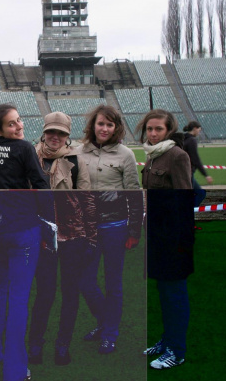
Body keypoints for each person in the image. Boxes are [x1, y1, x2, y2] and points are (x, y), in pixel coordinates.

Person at [0, 103, 54, 381]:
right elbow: (42, 185)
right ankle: (16, 370)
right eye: (12, 123)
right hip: (23, 230)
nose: (19, 126)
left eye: (19, 120)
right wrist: (49, 224)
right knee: (19, 299)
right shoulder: (23, 149)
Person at [27, 112, 97, 366]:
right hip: (41, 236)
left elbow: (88, 199)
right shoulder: (30, 157)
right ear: (44, 132)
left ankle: (62, 345)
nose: (55, 137)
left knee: (70, 293)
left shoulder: (77, 160)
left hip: (73, 235)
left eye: (61, 133)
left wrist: (92, 238)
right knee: (44, 293)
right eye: (51, 132)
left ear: (68, 136)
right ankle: (35, 344)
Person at [77, 104, 142, 355]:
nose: (104, 128)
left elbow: (134, 195)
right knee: (85, 281)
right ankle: (105, 323)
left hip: (115, 226)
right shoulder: (79, 151)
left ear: (116, 128)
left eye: (110, 124)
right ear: (93, 124)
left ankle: (110, 333)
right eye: (100, 123)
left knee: (114, 283)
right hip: (87, 228)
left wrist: (134, 230)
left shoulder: (125, 154)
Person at [136, 108, 194, 370]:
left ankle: (177, 350)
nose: (153, 133)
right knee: (163, 292)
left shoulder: (176, 156)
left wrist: (180, 240)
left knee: (175, 294)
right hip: (156, 235)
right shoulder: (152, 156)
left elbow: (185, 199)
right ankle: (166, 339)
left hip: (173, 239)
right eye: (149, 128)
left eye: (158, 129)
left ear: (169, 130)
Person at [182, 121, 213, 207]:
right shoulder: (192, 140)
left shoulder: (183, 138)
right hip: (187, 173)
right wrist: (206, 175)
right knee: (200, 194)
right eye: (199, 130)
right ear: (195, 128)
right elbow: (195, 159)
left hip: (182, 172)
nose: (199, 132)